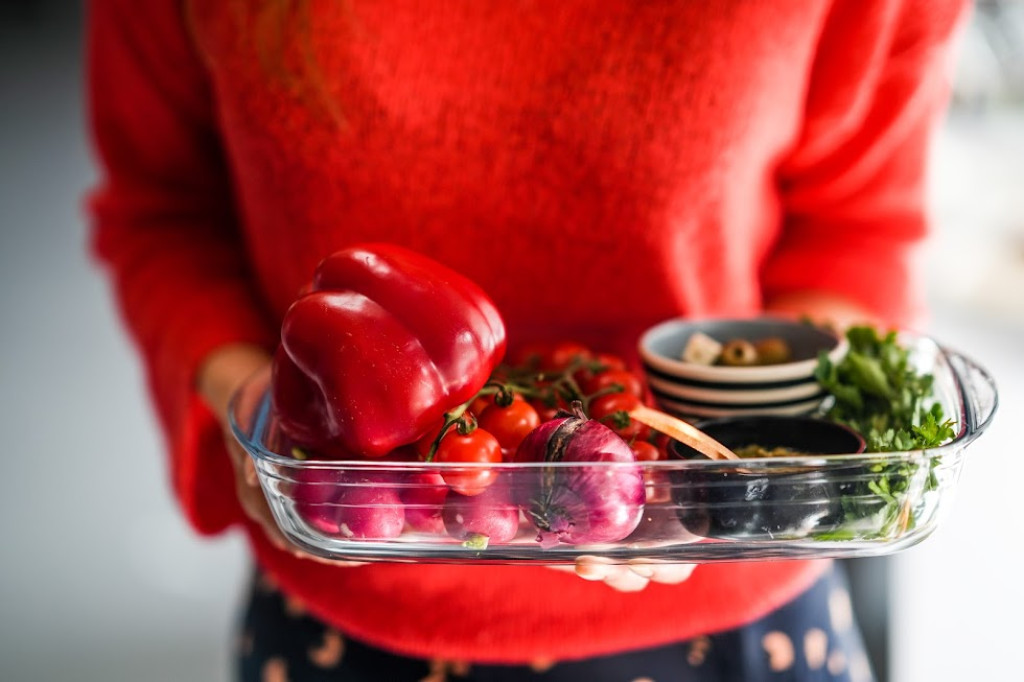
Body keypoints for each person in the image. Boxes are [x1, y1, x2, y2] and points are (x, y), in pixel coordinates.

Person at [87, 1, 967, 680]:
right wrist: (256, 404)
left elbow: (855, 227)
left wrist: (753, 468)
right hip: (351, 611)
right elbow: (163, 210)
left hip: (730, 620)